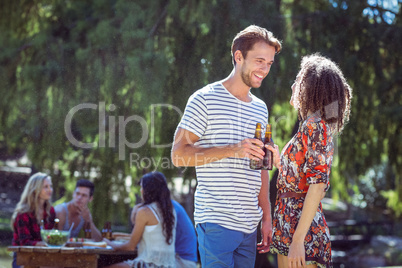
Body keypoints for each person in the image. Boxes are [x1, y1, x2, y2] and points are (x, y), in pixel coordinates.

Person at [171, 25, 282, 267]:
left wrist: (267, 216)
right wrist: (233, 149)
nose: (264, 69)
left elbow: (261, 166)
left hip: (249, 225)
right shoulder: (204, 99)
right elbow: (179, 155)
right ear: (238, 56)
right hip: (216, 222)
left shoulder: (260, 108)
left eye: (270, 63)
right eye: (259, 60)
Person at [267, 54, 352, 268]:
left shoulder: (314, 125)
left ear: (310, 87)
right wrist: (281, 163)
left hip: (299, 231)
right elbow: (303, 178)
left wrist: (297, 240)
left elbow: (318, 185)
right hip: (289, 225)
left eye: (298, 79)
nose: (293, 84)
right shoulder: (310, 126)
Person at [104, 172, 177, 268]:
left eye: (142, 187)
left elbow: (130, 246)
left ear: (148, 190)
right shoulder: (170, 211)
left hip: (148, 265)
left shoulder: (145, 211)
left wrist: (110, 244)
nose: (141, 190)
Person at [11, 172, 56, 268]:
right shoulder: (23, 213)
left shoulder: (50, 211)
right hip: (22, 257)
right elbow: (24, 242)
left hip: (44, 256)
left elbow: (51, 236)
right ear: (35, 189)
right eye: (45, 187)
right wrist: (41, 244)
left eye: (50, 186)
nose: (50, 190)